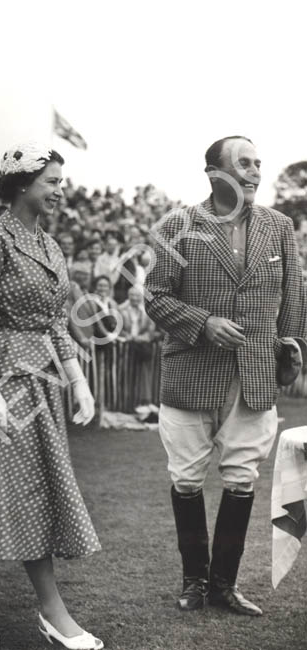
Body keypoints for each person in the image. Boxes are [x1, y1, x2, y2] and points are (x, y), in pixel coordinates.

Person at [0, 142, 103, 650]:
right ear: (22, 184)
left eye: (61, 180)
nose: (61, 189)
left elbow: (56, 321)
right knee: (26, 489)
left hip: (38, 382)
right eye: (52, 181)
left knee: (8, 491)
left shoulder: (50, 246)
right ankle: (54, 613)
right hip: (1, 382)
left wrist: (77, 379)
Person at [145, 136, 307, 616]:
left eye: (258, 163)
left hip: (254, 378)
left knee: (241, 480)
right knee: (187, 478)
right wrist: (203, 323)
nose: (255, 171)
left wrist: (291, 348)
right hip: (191, 373)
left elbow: (293, 300)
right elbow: (154, 296)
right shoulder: (177, 226)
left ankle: (224, 587)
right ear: (215, 173)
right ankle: (193, 581)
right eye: (244, 164)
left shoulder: (279, 227)